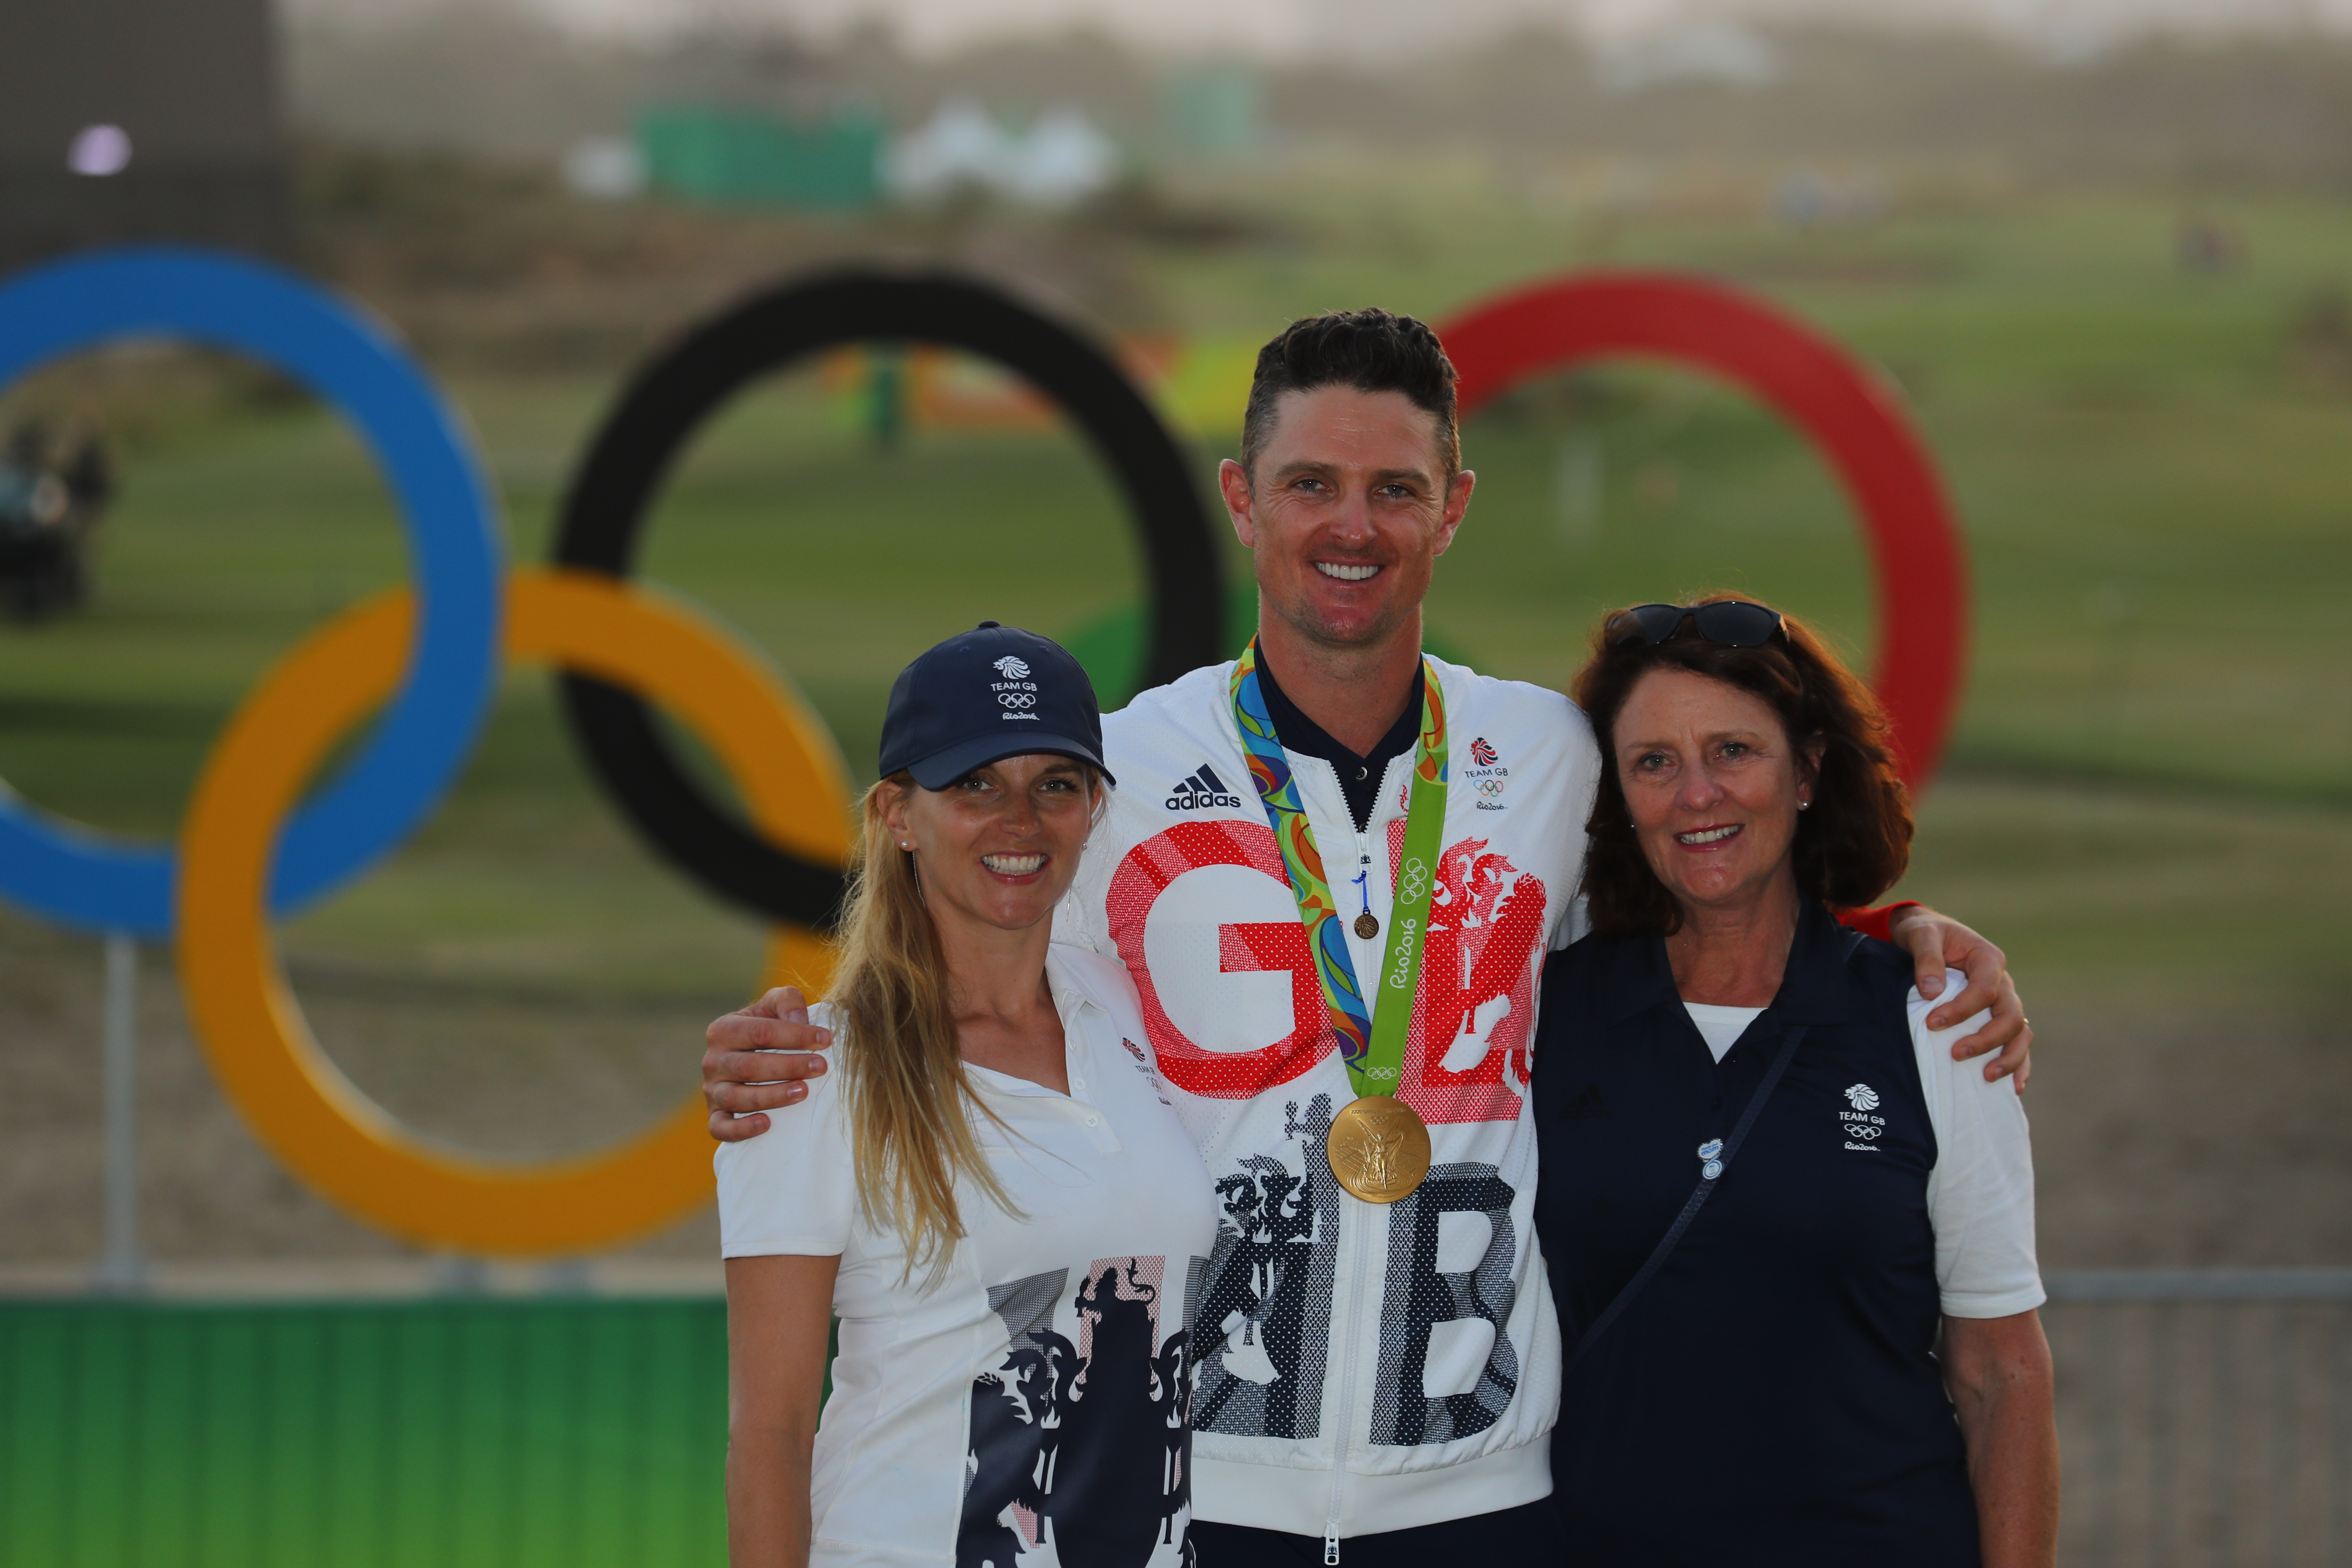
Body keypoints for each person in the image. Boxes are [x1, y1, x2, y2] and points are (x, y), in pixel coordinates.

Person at [704, 311, 2035, 1565]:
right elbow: (966, 939)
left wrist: (1904, 934)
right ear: (1241, 498)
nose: (1353, 526)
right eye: (1311, 484)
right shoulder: (1117, 771)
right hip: (1188, 1495)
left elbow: (1717, 881)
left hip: (1488, 1502)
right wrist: (801, 1042)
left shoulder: (1551, 758)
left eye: (1396, 489)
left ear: (1453, 508)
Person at [1531, 596, 2057, 1566]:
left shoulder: (1933, 1020)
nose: (1698, 796)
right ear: (1617, 797)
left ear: (1810, 770)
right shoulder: (1546, 1009)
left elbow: (2003, 1377)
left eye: (1734, 751)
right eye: (1655, 762)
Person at [719, 622, 1218, 1568]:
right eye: (975, 785)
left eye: (1054, 786)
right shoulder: (809, 1075)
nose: (1018, 820)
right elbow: (770, 1436)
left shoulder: (1123, 1005)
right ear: (897, 814)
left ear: (1093, 809)